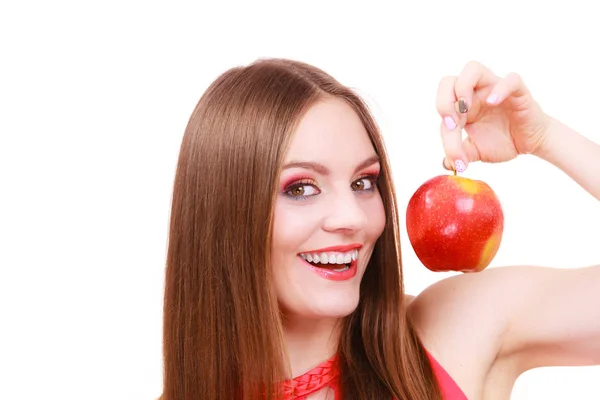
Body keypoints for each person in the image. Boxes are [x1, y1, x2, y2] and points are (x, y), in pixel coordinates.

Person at [159, 58, 600, 400]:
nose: (352, 216)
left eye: (363, 183)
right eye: (301, 188)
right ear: (224, 215)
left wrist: (543, 137)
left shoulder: (452, 332)